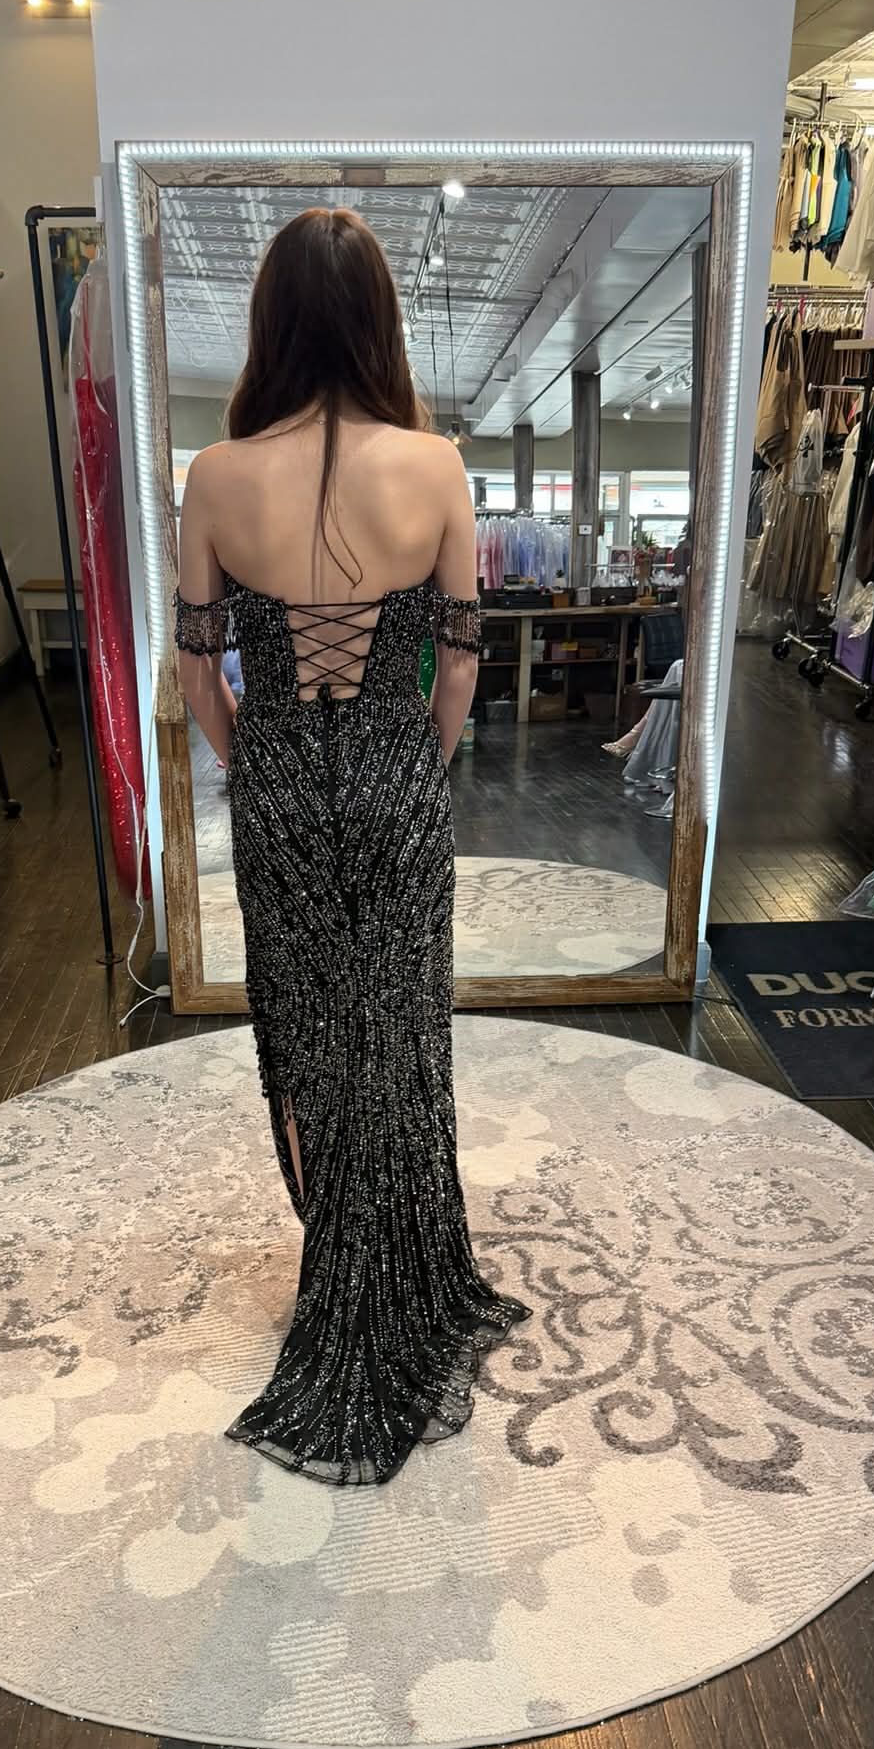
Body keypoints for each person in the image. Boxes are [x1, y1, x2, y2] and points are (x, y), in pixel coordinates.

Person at [174, 207, 530, 1486]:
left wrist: (253, 764)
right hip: (392, 780)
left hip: (278, 785)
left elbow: (199, 677)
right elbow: (459, 670)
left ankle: (343, 1266)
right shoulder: (435, 466)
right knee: (397, 1026)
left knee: (311, 1026)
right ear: (379, 319)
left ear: (271, 320)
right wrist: (411, 770)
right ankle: (408, 1277)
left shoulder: (214, 478)